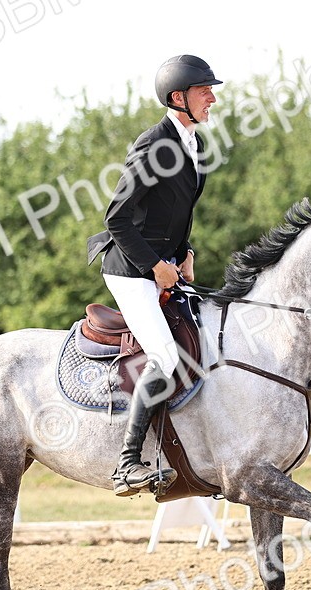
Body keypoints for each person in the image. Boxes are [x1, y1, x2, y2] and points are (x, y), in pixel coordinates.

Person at [86, 54, 222, 497]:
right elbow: (118, 219)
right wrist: (155, 266)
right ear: (178, 97)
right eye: (205, 92)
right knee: (164, 357)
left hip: (163, 264)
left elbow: (175, 214)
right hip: (129, 268)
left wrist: (184, 254)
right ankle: (127, 463)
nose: (213, 99)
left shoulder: (193, 144)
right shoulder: (154, 145)